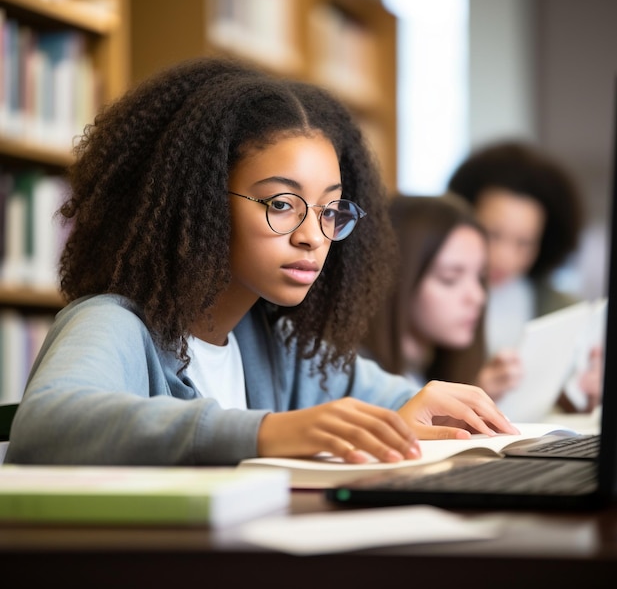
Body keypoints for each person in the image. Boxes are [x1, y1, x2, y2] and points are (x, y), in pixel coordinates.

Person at [5, 57, 517, 467]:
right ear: (198, 201)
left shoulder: (277, 344)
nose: (313, 237)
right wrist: (267, 432)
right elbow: (47, 424)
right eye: (281, 204)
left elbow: (400, 404)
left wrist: (443, 410)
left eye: (330, 210)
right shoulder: (113, 322)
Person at [447, 140, 602, 412]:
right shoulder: (430, 301)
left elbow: (566, 393)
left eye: (524, 243)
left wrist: (582, 394)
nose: (505, 257)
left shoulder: (562, 307)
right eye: (492, 234)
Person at [362, 193, 521, 402]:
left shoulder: (432, 369)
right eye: (450, 279)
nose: (478, 297)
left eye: (480, 278)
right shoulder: (357, 380)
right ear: (397, 280)